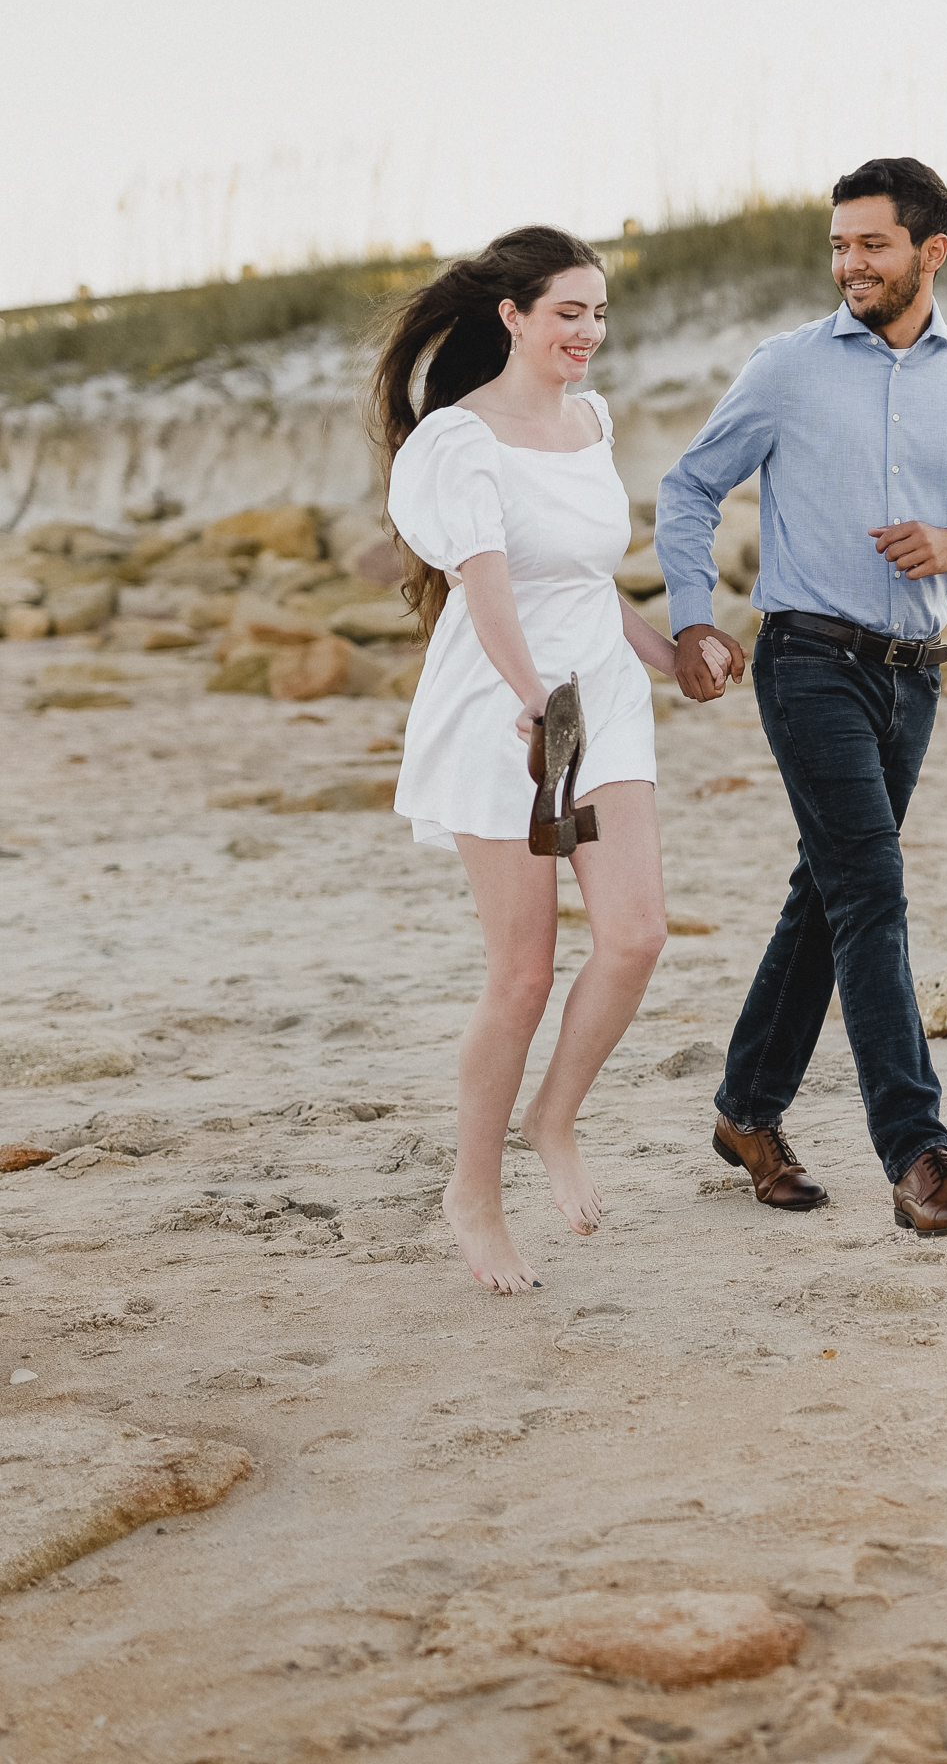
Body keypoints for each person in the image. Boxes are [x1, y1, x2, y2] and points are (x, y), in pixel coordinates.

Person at [655, 158, 947, 1233]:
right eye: (838, 244)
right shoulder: (786, 367)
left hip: (910, 679)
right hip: (804, 662)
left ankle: (747, 1112)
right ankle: (917, 1155)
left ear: (929, 251)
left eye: (870, 245)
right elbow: (691, 484)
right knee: (871, 886)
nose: (849, 264)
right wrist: (695, 615)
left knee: (828, 893)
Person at [371, 226, 698, 1295]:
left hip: (596, 694)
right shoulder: (458, 443)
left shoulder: (589, 421)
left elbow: (582, 579)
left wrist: (669, 651)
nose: (588, 334)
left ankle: (552, 1118)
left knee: (636, 934)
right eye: (568, 312)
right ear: (511, 315)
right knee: (519, 974)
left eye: (598, 314)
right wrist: (528, 699)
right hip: (502, 707)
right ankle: (474, 1188)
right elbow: (491, 582)